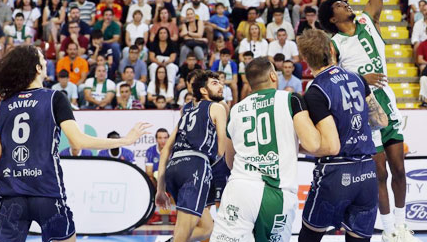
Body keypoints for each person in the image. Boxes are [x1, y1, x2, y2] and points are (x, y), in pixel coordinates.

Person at [0, 45, 149, 241]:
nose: (45, 62)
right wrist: (125, 140)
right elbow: (78, 141)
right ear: (37, 68)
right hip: (47, 193)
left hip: (11, 194)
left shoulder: (4, 103)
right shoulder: (54, 98)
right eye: (42, 58)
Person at [317, 0, 415, 241]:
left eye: (345, 1)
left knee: (399, 169)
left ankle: (401, 226)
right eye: (339, 4)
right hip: (362, 109)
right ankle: (387, 231)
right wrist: (361, 78)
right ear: (333, 18)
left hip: (386, 101)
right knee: (379, 172)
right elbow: (331, 78)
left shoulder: (366, 19)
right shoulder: (334, 44)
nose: (346, 2)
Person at [208, 57, 324, 242]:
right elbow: (313, 144)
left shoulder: (236, 109)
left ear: (249, 82)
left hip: (239, 190)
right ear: (272, 75)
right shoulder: (290, 98)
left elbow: (230, 160)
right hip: (275, 193)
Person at [295, 29, 383, 242]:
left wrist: (299, 148)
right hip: (367, 173)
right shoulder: (357, 78)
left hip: (336, 172)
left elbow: (331, 146)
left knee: (309, 237)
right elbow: (381, 121)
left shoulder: (316, 90)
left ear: (305, 59)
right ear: (332, 49)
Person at [154, 71, 227, 242]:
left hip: (174, 167)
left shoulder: (186, 112)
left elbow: (165, 151)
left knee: (207, 227)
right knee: (184, 234)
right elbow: (221, 151)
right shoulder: (217, 107)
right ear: (203, 90)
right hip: (195, 166)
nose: (221, 85)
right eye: (215, 83)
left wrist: (160, 188)